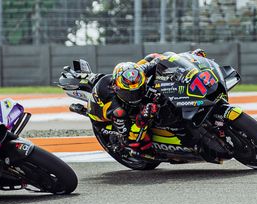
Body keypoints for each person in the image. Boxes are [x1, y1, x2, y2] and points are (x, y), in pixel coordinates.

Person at [71, 49, 208, 158]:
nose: (135, 95)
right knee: (138, 143)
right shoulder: (117, 110)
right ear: (118, 88)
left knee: (153, 57)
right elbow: (131, 136)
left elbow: (163, 58)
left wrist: (190, 57)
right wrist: (142, 119)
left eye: (138, 89)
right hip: (104, 114)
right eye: (130, 93)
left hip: (116, 79)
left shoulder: (140, 72)